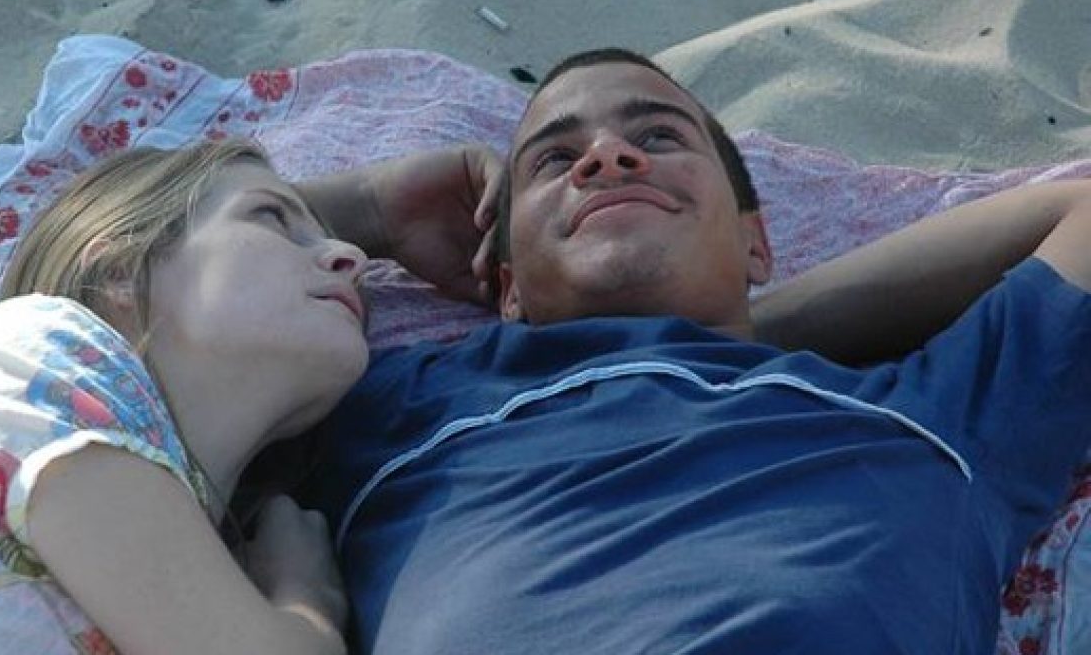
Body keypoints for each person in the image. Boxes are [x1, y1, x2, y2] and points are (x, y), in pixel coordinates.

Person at [296, 48, 1091, 654]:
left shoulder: (939, 415)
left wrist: (726, 332)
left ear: (757, 243)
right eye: (553, 160)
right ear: (506, 287)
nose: (607, 157)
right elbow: (212, 281)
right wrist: (366, 208)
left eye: (659, 136)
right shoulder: (394, 408)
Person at [0, 139, 367, 654]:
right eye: (271, 216)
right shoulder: (34, 350)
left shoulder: (207, 573)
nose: (351, 257)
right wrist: (308, 595)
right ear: (121, 270)